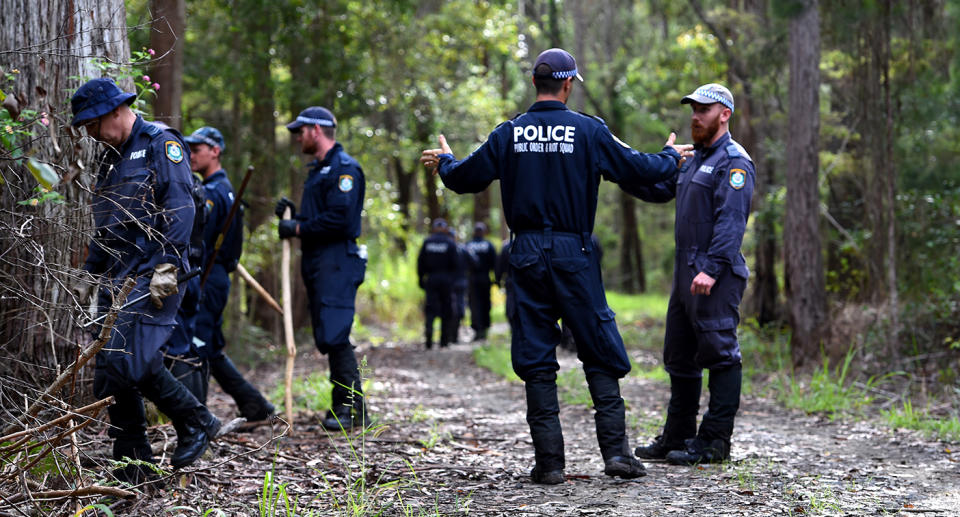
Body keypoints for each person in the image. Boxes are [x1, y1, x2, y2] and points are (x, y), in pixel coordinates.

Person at [420, 48, 692, 484]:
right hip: (574, 254)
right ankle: (617, 455)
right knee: (598, 347)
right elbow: (637, 168)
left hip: (523, 254)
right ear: (568, 85)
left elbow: (463, 178)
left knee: (535, 355)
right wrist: (668, 156)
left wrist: (446, 161)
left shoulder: (507, 134)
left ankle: (549, 463)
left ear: (535, 84)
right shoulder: (589, 131)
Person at [69, 78, 221, 480]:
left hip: (156, 272)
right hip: (117, 276)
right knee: (111, 367)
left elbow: (180, 210)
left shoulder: (160, 143)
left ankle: (197, 420)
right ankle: (133, 462)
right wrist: (89, 275)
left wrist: (166, 270)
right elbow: (107, 228)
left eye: (92, 123)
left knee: (134, 361)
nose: (89, 133)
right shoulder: (109, 158)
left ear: (115, 111)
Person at [628, 83, 755, 465]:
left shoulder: (734, 161)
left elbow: (731, 222)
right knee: (679, 356)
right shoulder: (693, 158)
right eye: (693, 109)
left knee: (720, 353)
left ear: (725, 114)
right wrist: (619, 167)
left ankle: (715, 442)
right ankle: (678, 435)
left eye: (704, 109)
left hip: (713, 274)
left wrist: (713, 269)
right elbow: (657, 190)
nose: (695, 116)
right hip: (685, 273)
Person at [275, 106, 369, 430]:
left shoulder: (344, 169)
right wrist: (293, 217)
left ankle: (352, 410)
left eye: (300, 131)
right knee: (328, 336)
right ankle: (344, 405)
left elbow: (341, 220)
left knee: (336, 332)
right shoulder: (318, 171)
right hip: (319, 262)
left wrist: (299, 229)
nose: (298, 137)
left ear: (316, 130)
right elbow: (319, 218)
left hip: (337, 261)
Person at [184, 126, 275, 421]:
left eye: (197, 150)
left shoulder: (214, 192)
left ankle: (196, 421)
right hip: (216, 276)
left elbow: (199, 238)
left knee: (196, 346)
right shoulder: (222, 189)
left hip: (210, 277)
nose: (191, 155)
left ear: (215, 151)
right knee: (209, 346)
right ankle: (254, 404)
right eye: (190, 149)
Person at [416, 218, 459, 349]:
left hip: (432, 279)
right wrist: (453, 280)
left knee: (430, 308)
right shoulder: (450, 243)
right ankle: (443, 341)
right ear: (445, 229)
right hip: (446, 279)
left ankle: (429, 339)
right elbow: (456, 264)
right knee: (446, 309)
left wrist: (421, 278)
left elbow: (420, 262)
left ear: (434, 228)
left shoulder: (427, 242)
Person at [465, 222, 496, 341]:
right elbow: (495, 262)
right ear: (483, 232)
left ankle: (477, 329)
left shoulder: (468, 245)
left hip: (472, 279)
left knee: (474, 304)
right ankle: (484, 329)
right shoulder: (488, 245)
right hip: (485, 278)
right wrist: (496, 278)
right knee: (485, 303)